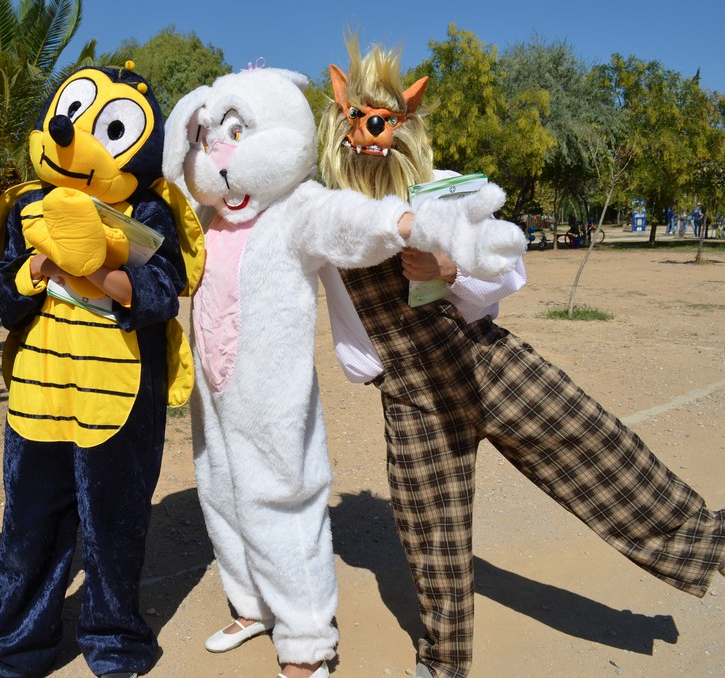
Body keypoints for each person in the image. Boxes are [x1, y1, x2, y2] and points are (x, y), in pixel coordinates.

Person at [316, 38, 725, 678]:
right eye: (358, 121)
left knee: (592, 441)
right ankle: (445, 661)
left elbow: (508, 268)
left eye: (385, 121)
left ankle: (707, 539)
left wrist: (450, 268)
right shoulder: (324, 218)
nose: (370, 135)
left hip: (485, 360)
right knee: (433, 534)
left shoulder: (441, 192)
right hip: (409, 395)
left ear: (404, 126)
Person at [163, 66, 523, 678]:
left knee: (282, 496)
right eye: (208, 139)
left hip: (271, 394)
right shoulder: (207, 218)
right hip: (213, 387)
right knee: (220, 488)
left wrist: (410, 224)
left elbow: (351, 221)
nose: (220, 159)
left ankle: (308, 641)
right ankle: (252, 604)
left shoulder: (296, 207)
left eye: (236, 133)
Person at [0, 65, 199, 678]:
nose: (69, 133)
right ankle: (21, 648)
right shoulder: (26, 206)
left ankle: (114, 642)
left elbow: (163, 293)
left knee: (114, 528)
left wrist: (98, 270)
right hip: (41, 395)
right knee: (30, 529)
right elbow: (5, 295)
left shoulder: (147, 213)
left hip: (118, 395)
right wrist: (38, 271)